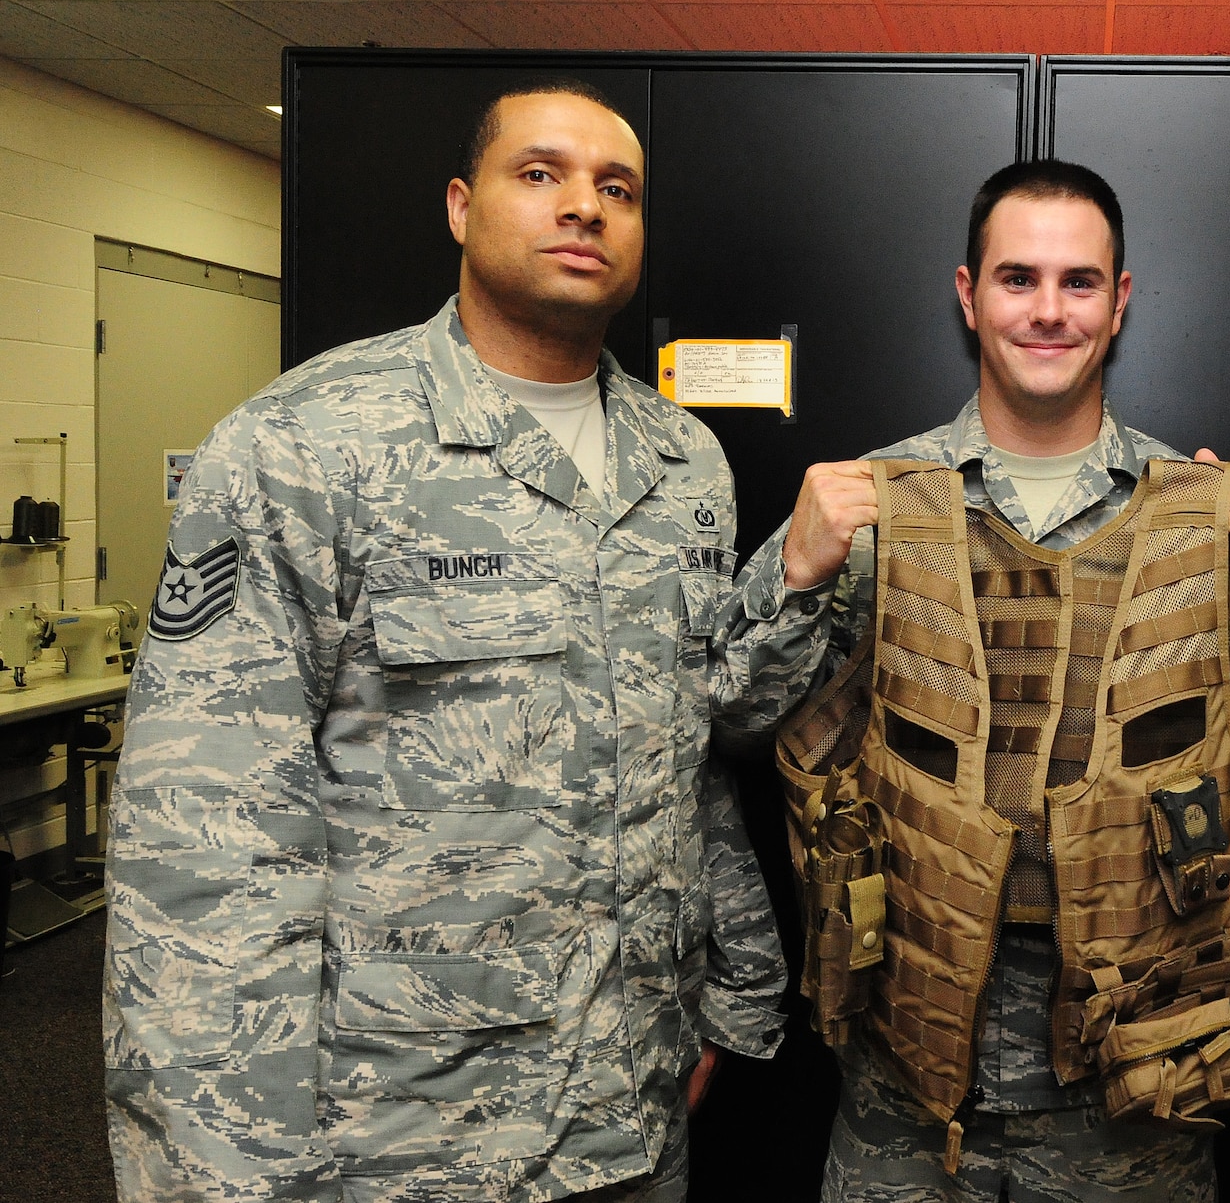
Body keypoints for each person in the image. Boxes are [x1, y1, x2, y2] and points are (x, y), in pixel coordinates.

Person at [102, 79, 788, 1203]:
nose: (584, 207)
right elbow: (205, 847)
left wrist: (722, 990)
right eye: (541, 173)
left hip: (631, 1106)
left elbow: (682, 759)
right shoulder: (307, 442)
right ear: (462, 207)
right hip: (396, 1138)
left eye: (616, 188)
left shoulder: (683, 465)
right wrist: (228, 1173)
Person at [720, 159, 1230, 1202]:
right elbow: (734, 727)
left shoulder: (1202, 513)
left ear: (1118, 304)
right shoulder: (869, 505)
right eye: (1017, 278)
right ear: (967, 293)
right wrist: (799, 575)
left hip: (1136, 1079)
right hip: (904, 1071)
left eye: (1077, 282)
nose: (1046, 309)